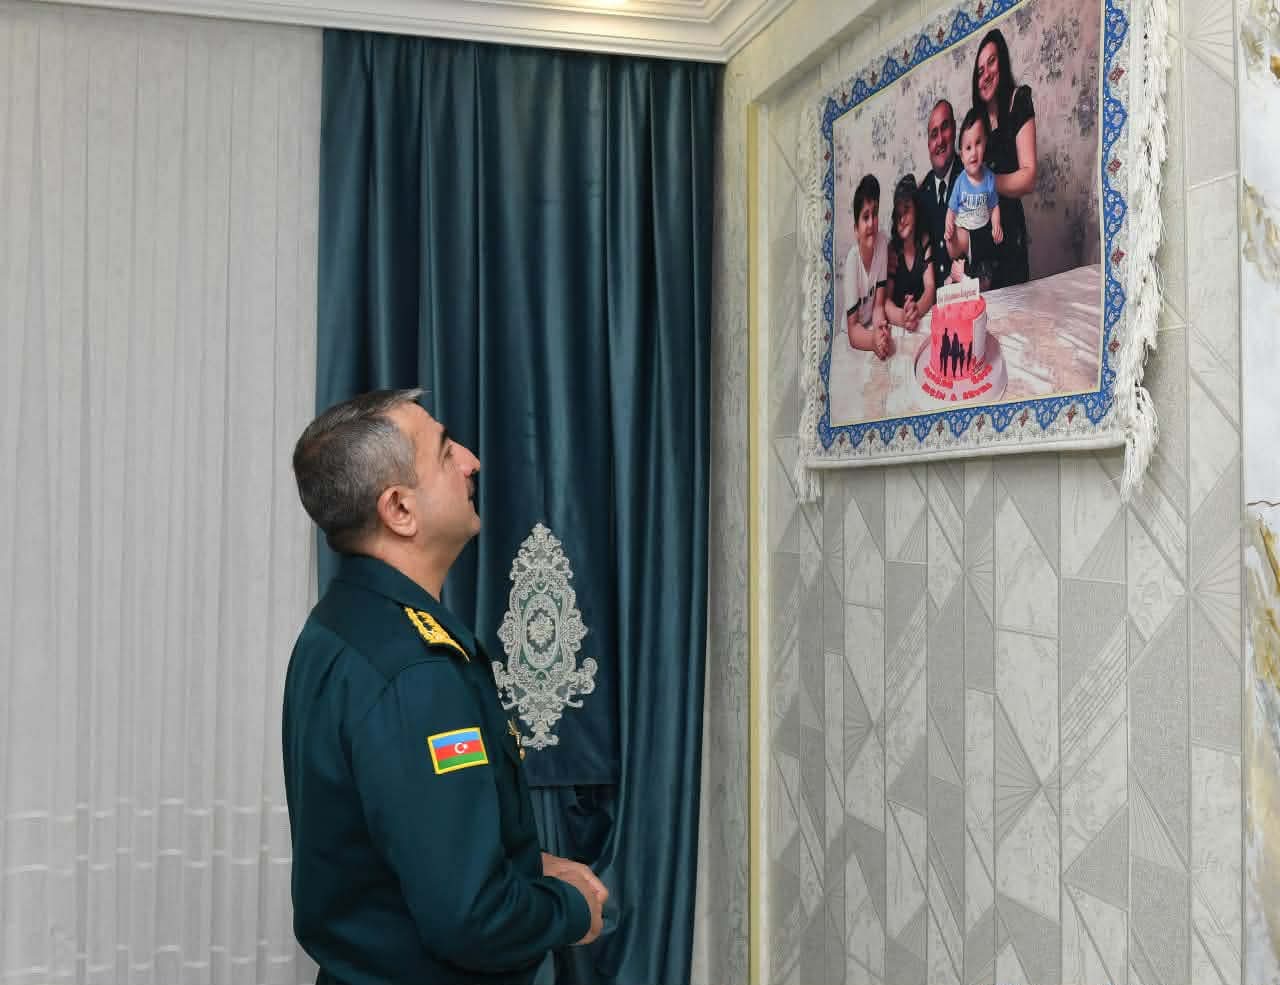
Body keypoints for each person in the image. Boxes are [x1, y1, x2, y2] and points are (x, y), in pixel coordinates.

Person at [283, 388, 608, 985]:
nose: (470, 461)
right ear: (399, 509)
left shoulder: (340, 623)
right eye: (444, 451)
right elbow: (472, 921)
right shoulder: (416, 671)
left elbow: (394, 839)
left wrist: (524, 866)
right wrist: (572, 909)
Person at [972, 27, 1038, 288]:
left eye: (991, 62)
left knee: (1016, 306)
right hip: (981, 238)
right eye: (979, 71)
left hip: (1010, 234)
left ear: (1003, 62)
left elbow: (1029, 176)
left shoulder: (1018, 100)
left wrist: (987, 182)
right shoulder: (976, 120)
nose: (986, 74)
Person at [944, 109, 1003, 285]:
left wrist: (996, 224)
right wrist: (949, 225)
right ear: (962, 156)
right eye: (968, 148)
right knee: (956, 245)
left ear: (985, 145)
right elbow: (951, 209)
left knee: (985, 268)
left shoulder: (989, 178)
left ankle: (980, 280)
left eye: (978, 143)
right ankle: (957, 274)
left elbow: (994, 205)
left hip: (983, 228)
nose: (974, 152)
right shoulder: (960, 182)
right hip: (964, 228)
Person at [842, 173, 891, 360]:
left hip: (871, 325)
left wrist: (880, 331)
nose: (871, 223)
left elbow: (878, 306)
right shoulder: (852, 262)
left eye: (875, 214)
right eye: (865, 217)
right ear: (856, 229)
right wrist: (873, 340)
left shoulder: (882, 243)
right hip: (853, 335)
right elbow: (853, 331)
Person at [916, 99, 963, 288]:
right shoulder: (920, 194)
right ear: (929, 144)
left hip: (969, 295)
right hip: (934, 301)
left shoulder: (972, 177)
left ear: (955, 129)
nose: (940, 140)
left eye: (945, 128)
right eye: (934, 134)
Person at [884, 174, 937, 331]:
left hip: (920, 318)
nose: (902, 220)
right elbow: (885, 300)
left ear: (916, 210)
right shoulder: (893, 249)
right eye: (898, 214)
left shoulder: (924, 242)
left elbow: (930, 288)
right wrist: (903, 317)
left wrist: (916, 311)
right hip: (899, 323)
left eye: (906, 210)